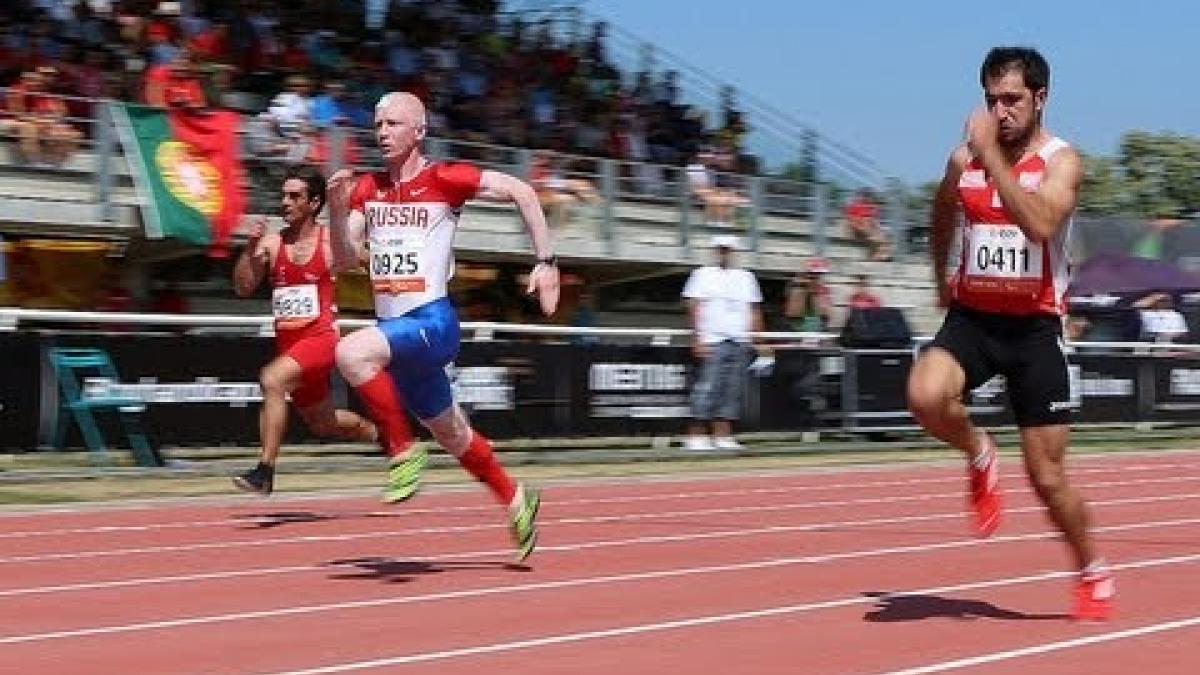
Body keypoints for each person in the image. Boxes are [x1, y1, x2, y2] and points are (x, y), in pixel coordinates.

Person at [906, 47, 1113, 621]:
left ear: (1040, 98)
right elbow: (942, 211)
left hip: (1034, 330)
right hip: (973, 319)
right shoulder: (962, 161)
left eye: (1012, 100)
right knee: (924, 395)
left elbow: (1043, 223)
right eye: (991, 100)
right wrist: (939, 274)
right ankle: (978, 450)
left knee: (1047, 479)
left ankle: (1091, 567)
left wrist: (993, 156)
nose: (999, 112)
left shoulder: (1061, 161)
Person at [326, 92, 558, 562]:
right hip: (398, 339)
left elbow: (523, 191)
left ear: (419, 132)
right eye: (377, 125)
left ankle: (401, 449)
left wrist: (546, 261)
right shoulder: (367, 189)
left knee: (350, 353)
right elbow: (344, 259)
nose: (383, 132)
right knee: (455, 436)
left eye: (393, 123)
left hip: (432, 322)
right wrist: (334, 209)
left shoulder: (445, 179)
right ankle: (517, 500)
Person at [231, 165, 397, 495]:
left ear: (315, 203)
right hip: (290, 347)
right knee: (323, 423)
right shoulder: (271, 243)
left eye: (295, 197)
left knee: (271, 380)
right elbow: (243, 287)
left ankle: (264, 472)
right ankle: (384, 437)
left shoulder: (329, 243)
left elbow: (373, 263)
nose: (285, 203)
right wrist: (249, 250)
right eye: (283, 195)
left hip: (320, 340)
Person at [681, 234, 764, 451]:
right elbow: (694, 306)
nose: (724, 253)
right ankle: (696, 434)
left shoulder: (746, 277)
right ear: (715, 251)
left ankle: (723, 434)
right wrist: (697, 337)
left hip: (739, 339)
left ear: (735, 252)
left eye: (728, 249)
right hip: (712, 339)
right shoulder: (702, 274)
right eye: (721, 249)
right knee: (707, 387)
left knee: (732, 390)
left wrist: (759, 339)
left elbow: (754, 309)